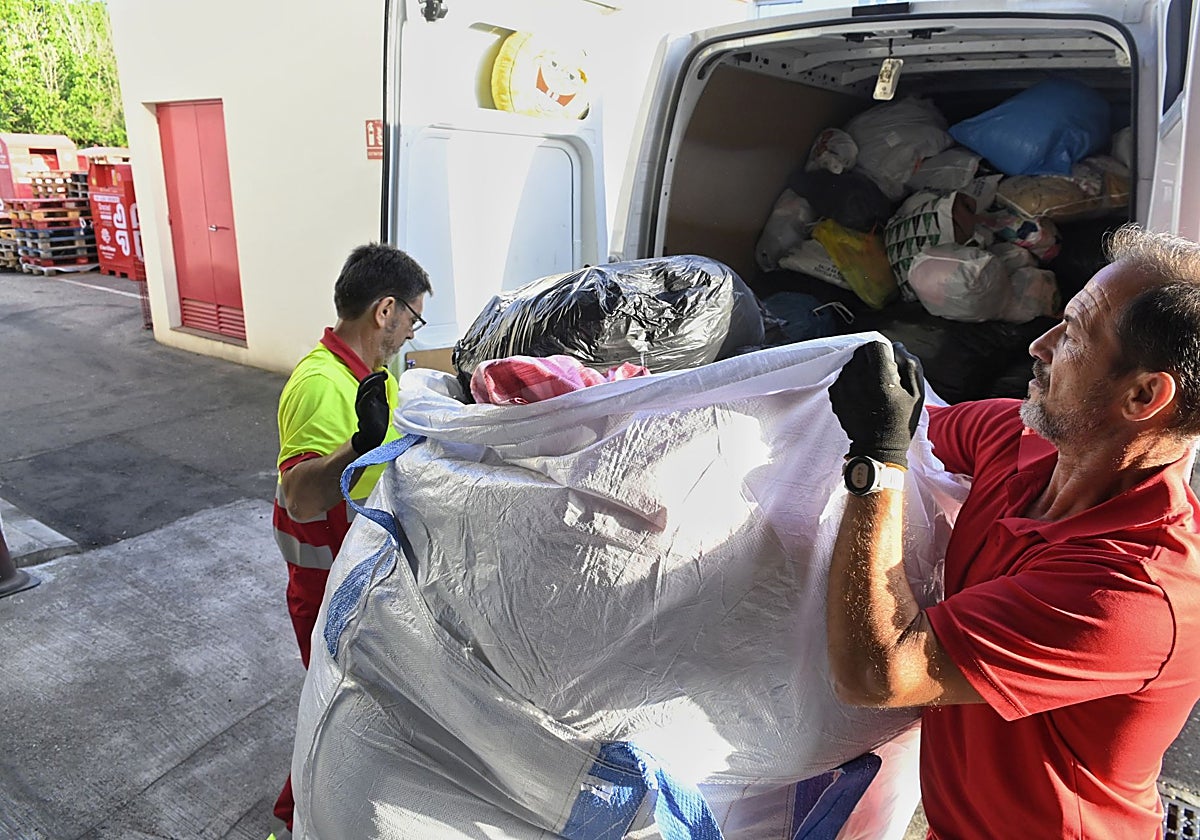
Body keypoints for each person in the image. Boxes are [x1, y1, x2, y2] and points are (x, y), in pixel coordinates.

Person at [825, 224, 1200, 838]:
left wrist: (876, 463)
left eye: (1074, 334)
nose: (1040, 345)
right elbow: (912, 423)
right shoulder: (1019, 442)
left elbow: (876, 673)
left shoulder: (1133, 592)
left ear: (1142, 395)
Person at [270, 242, 432, 832]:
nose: (413, 333)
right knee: (334, 716)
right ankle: (294, 823)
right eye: (414, 317)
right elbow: (300, 496)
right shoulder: (320, 385)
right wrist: (355, 449)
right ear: (385, 310)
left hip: (353, 578)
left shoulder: (366, 378)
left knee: (346, 712)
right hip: (325, 591)